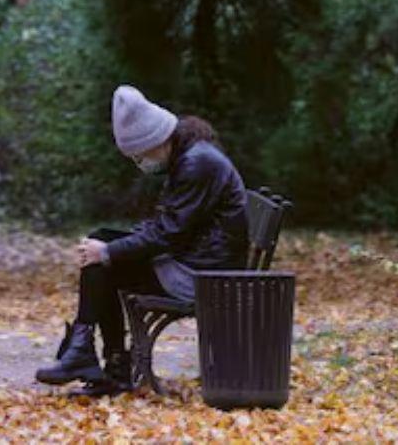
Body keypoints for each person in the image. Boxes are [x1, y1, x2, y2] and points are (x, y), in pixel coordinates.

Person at [35, 85, 248, 391]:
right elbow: (170, 225)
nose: (141, 163)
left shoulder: (195, 163)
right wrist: (109, 246)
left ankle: (102, 362)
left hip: (204, 273)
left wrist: (109, 251)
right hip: (199, 258)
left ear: (157, 142)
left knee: (105, 261)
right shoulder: (188, 153)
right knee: (101, 242)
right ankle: (93, 355)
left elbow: (168, 234)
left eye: (140, 156)